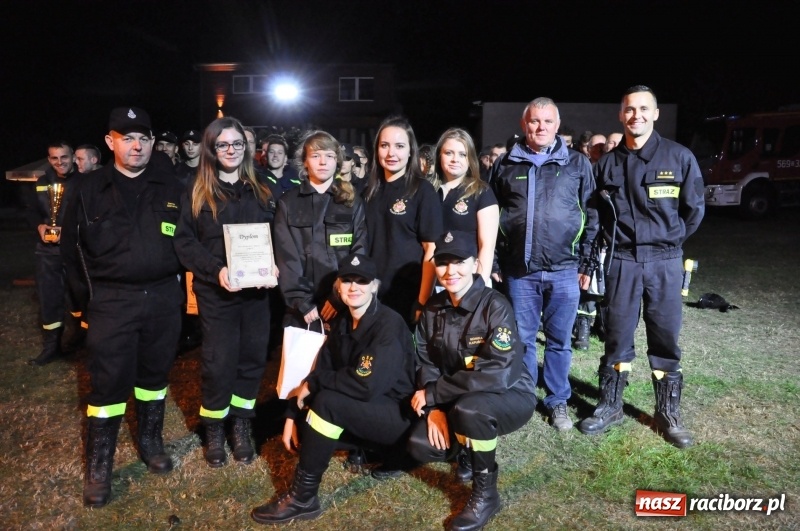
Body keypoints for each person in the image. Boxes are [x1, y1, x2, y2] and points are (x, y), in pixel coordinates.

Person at [61, 107, 184, 507]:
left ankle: (150, 441)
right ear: (110, 142)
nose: (136, 145)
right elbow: (71, 250)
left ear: (152, 143)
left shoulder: (170, 184)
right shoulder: (87, 187)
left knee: (154, 375)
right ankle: (100, 466)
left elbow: (188, 240)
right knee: (108, 384)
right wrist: (83, 305)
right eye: (127, 138)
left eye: (143, 138)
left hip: (163, 296)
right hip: (111, 300)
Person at [578, 85, 705, 448]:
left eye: (644, 109)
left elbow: (694, 209)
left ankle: (668, 413)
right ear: (621, 115)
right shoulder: (605, 165)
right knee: (616, 336)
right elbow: (593, 214)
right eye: (630, 110)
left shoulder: (678, 158)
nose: (637, 116)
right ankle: (611, 405)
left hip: (664, 262)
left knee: (665, 338)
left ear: (656, 113)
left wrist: (670, 240)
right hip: (622, 262)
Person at [251, 253, 415, 525]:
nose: (353, 287)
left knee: (326, 403)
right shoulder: (341, 322)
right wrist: (292, 414)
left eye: (361, 281)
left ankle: (303, 499)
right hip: (368, 409)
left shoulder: (389, 323)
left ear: (374, 286)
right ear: (338, 286)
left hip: (399, 419)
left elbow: (364, 385)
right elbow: (321, 370)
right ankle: (361, 449)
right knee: (308, 424)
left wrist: (314, 385)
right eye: (347, 280)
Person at [407, 231, 536, 531]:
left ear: (476, 263)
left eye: (459, 262)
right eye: (443, 263)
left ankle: (486, 494)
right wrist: (434, 407)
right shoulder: (433, 308)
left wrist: (435, 393)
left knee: (471, 411)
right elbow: (425, 361)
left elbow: (499, 373)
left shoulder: (495, 305)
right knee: (418, 444)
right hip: (458, 395)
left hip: (510, 394)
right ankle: (467, 451)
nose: (450, 271)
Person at [174, 116, 277, 467]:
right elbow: (184, 242)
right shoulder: (196, 189)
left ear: (245, 147)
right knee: (219, 363)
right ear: (212, 149)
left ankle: (242, 426)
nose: (230, 150)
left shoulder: (261, 188)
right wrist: (215, 271)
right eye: (222, 144)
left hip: (256, 294)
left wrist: (273, 265)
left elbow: (277, 237)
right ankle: (215, 427)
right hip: (217, 292)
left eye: (236, 144)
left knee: (251, 360)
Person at [491, 97, 596, 431]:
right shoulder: (506, 164)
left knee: (559, 341)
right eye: (534, 121)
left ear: (556, 125)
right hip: (519, 272)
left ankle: (557, 400)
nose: (540, 127)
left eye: (547, 122)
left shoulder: (578, 164)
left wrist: (587, 263)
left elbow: (592, 215)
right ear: (525, 125)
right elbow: (490, 215)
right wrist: (494, 259)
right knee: (520, 339)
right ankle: (522, 397)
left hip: (565, 269)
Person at [273, 131, 368, 328]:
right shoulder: (288, 203)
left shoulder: (351, 202)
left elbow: (359, 251)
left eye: (329, 156)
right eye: (316, 156)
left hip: (342, 305)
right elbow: (285, 257)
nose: (323, 162)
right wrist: (301, 301)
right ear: (305, 162)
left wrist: (339, 297)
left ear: (337, 162)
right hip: (300, 310)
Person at [363, 116, 443, 328]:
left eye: (399, 146)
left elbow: (431, 249)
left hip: (406, 294)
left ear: (410, 151)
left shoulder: (422, 191)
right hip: (369, 293)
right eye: (384, 145)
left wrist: (422, 300)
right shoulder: (368, 192)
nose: (391, 153)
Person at [27, 141, 83, 366]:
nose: (60, 162)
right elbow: (32, 212)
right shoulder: (42, 182)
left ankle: (82, 338)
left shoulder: (85, 181)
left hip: (75, 250)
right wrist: (39, 226)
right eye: (54, 158)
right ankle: (52, 346)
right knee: (49, 298)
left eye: (64, 157)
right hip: (47, 251)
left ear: (72, 157)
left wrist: (67, 231)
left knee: (79, 296)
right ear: (49, 159)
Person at [433, 127, 498, 286]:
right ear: (439, 155)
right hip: (435, 281)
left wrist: (477, 289)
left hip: (468, 281)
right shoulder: (429, 191)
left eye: (462, 154)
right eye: (449, 153)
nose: (455, 159)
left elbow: (486, 247)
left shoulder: (481, 192)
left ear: (470, 159)